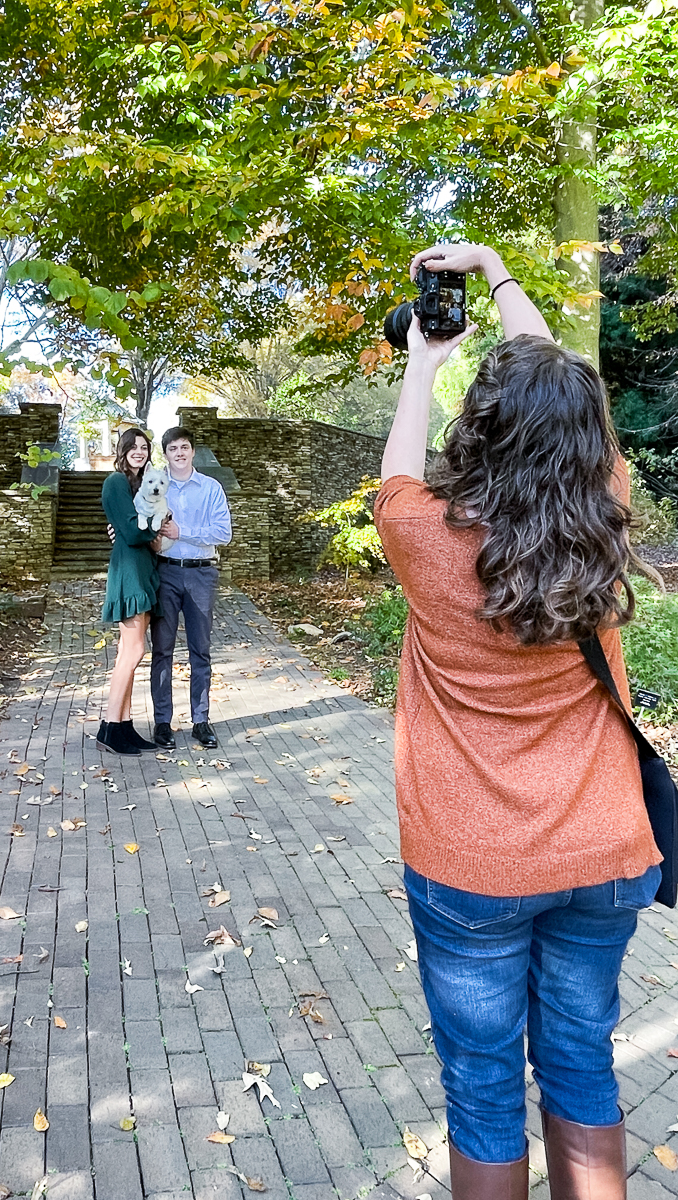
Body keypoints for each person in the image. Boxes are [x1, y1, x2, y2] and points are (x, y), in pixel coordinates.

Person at [373, 243, 661, 1200]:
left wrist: (423, 359)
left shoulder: (424, 537)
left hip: (472, 866)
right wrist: (497, 272)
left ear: (484, 428)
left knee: (483, 1085)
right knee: (581, 1062)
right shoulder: (603, 511)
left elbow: (397, 473)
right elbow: (553, 387)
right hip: (606, 857)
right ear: (591, 439)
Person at [150, 426, 232, 750]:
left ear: (192, 451)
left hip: (201, 575)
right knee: (162, 650)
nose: (179, 453)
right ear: (166, 454)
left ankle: (201, 721)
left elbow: (222, 533)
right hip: (165, 574)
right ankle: (162, 723)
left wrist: (182, 531)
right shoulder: (155, 487)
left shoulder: (211, 488)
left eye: (184, 447)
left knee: (200, 650)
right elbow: (141, 522)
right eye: (173, 449)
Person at [96, 427, 160, 757]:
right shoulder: (115, 482)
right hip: (130, 571)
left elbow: (137, 526)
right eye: (132, 446)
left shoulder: (139, 484)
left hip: (142, 568)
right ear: (122, 450)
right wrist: (151, 528)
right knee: (133, 652)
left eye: (144, 446)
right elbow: (133, 533)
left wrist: (143, 528)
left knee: (129, 653)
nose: (139, 451)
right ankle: (110, 727)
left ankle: (125, 724)